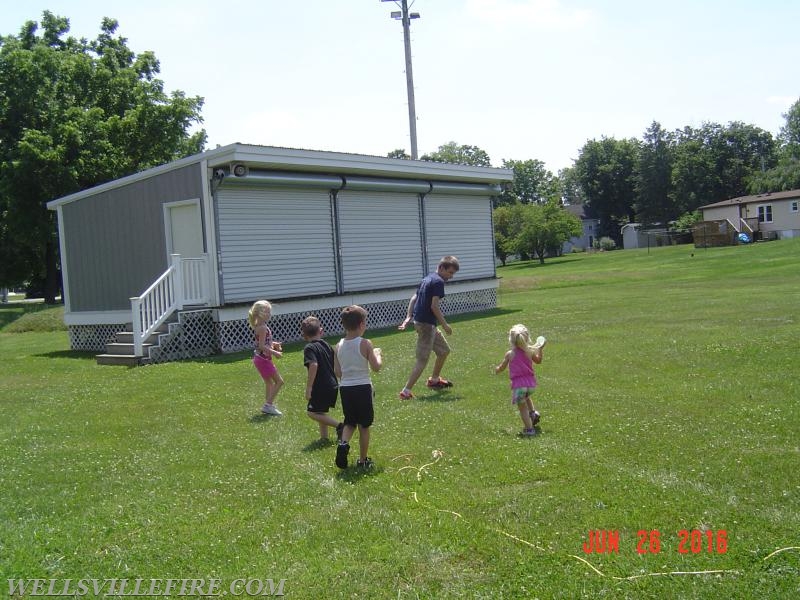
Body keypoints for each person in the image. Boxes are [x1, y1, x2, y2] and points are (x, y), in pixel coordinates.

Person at [397, 255, 460, 399]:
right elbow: (434, 306)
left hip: (425, 323)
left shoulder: (427, 279)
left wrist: (408, 317)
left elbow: (414, 298)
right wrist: (445, 325)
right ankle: (406, 391)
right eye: (450, 272)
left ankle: (434, 380)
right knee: (422, 360)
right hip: (426, 325)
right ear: (441, 268)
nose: (451, 277)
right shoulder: (438, 282)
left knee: (443, 351)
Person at [334, 305, 382, 469]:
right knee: (364, 426)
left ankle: (343, 444)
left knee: (349, 423)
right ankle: (362, 461)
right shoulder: (365, 343)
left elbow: (338, 372)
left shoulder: (338, 345)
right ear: (361, 324)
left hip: (346, 388)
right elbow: (376, 367)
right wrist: (377, 354)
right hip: (362, 387)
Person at [495, 324, 546, 436]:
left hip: (519, 386)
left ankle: (529, 429)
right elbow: (538, 361)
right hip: (531, 384)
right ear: (526, 338)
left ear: (511, 340)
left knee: (522, 408)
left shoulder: (510, 354)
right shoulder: (530, 351)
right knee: (526, 396)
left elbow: (502, 367)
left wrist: (497, 369)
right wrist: (540, 350)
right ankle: (533, 414)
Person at [300, 315, 343, 443]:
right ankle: (324, 438)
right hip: (332, 384)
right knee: (320, 411)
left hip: (321, 386)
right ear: (321, 331)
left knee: (311, 412)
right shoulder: (326, 345)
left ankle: (340, 426)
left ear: (304, 336)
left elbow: (313, 365)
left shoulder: (309, 348)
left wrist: (309, 388)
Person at [248, 300, 284, 415]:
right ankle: (268, 405)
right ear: (261, 313)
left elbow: (264, 343)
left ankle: (269, 405)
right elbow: (262, 346)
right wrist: (275, 352)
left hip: (260, 359)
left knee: (269, 383)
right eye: (267, 312)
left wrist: (274, 344)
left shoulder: (260, 326)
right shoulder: (262, 327)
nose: (270, 314)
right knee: (279, 382)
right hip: (263, 360)